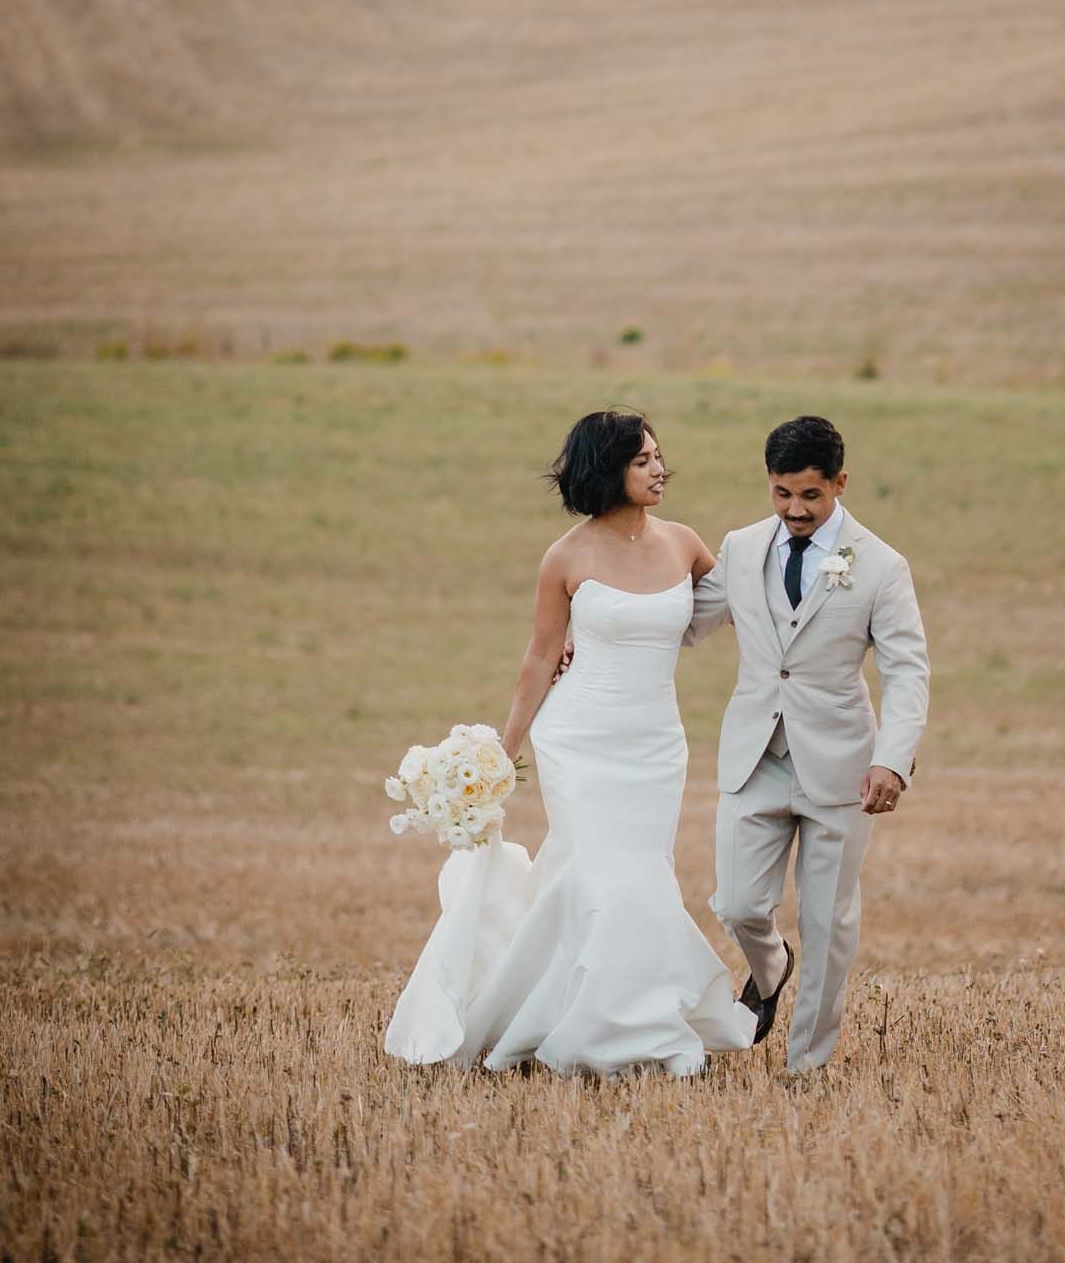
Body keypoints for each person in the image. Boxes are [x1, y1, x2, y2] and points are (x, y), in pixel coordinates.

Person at [383, 410, 756, 1077]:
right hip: (578, 739)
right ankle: (610, 1031)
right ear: (606, 470)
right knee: (607, 877)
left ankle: (607, 1014)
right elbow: (540, 654)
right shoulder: (566, 556)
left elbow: (734, 598)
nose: (659, 468)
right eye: (642, 460)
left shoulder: (684, 543)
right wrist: (504, 750)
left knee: (638, 875)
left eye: (659, 456)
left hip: (657, 744)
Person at [687, 414, 929, 1073]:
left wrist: (892, 761)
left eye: (810, 496)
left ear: (840, 484)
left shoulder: (881, 566)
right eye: (782, 493)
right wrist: (593, 626)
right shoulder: (739, 548)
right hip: (754, 755)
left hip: (843, 767)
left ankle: (807, 1064)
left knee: (827, 924)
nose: (795, 509)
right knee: (736, 904)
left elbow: (907, 669)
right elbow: (684, 625)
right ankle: (770, 968)